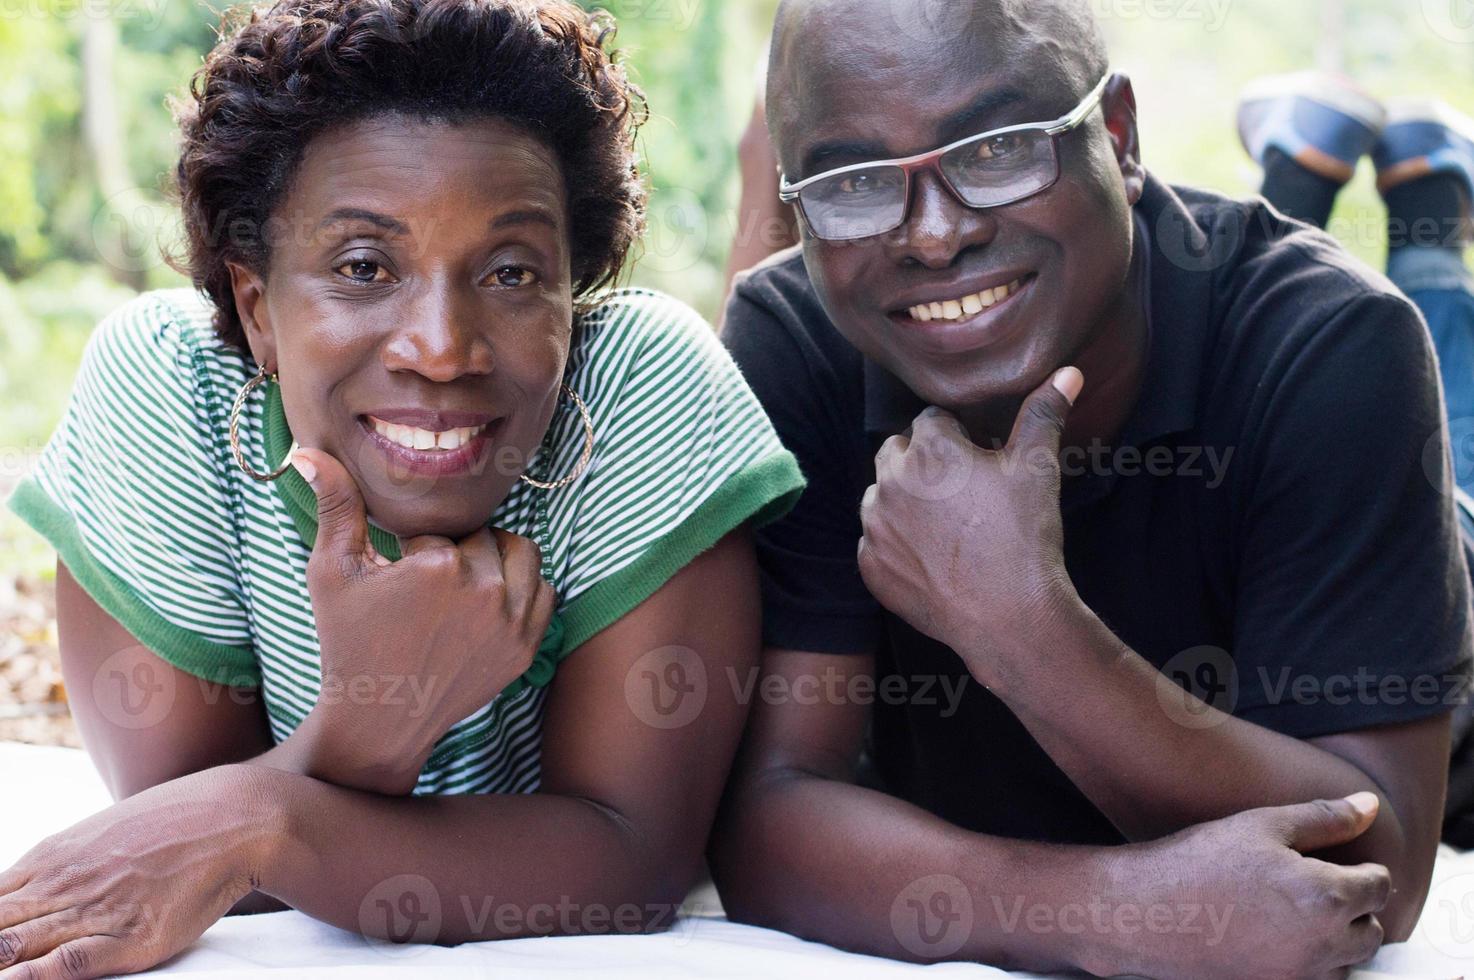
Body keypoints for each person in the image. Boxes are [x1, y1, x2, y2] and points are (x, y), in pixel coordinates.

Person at [0, 0, 803, 975]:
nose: (442, 347)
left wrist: (259, 816)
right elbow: (181, 854)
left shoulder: (639, 383)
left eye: (510, 273)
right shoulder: (168, 388)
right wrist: (373, 723)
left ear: (569, 293)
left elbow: (629, 860)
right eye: (364, 265)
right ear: (256, 309)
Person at [713, 0, 1474, 976]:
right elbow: (767, 817)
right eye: (855, 182)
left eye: (995, 152)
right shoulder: (798, 346)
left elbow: (1374, 865)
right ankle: (1304, 163)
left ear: (1115, 133)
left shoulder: (1333, 345)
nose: (933, 236)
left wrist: (1020, 622)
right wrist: (1110, 911)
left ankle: (1426, 211)